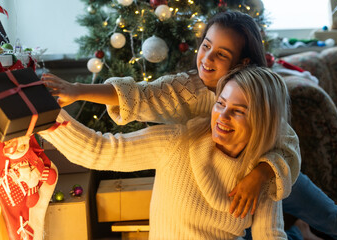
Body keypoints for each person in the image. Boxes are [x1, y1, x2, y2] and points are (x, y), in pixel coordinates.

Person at [42, 11, 337, 240]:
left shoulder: (264, 105)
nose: (207, 60)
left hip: (272, 166)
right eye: (205, 46)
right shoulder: (185, 92)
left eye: (222, 55)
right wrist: (77, 90)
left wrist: (262, 174)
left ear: (243, 62)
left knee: (325, 215)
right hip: (203, 166)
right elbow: (137, 96)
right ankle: (299, 232)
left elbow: (287, 146)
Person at [40, 66, 288, 239]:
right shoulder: (178, 142)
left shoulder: (262, 175)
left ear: (262, 120)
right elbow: (99, 150)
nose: (222, 117)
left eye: (239, 111)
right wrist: (41, 114)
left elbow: (271, 235)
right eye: (220, 104)